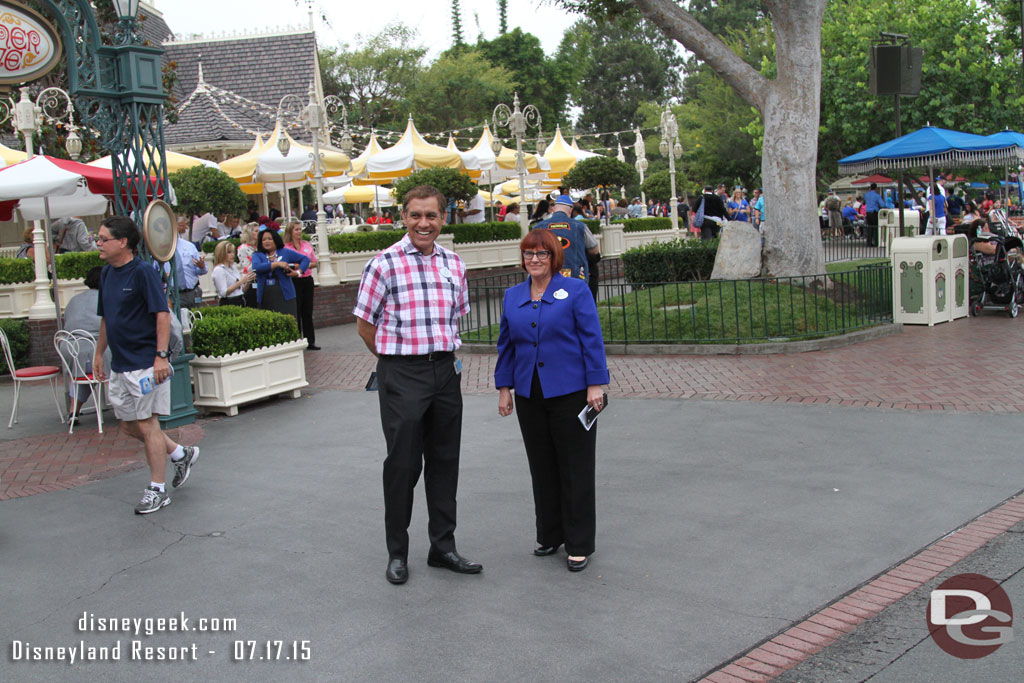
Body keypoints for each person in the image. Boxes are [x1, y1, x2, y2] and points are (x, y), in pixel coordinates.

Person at [353, 185, 481, 585]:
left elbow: (454, 319)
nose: (423, 223)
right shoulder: (383, 264)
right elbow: (364, 325)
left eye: (432, 216)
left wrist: (437, 361)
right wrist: (394, 361)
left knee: (445, 463)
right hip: (402, 374)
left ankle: (442, 547)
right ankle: (397, 552)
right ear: (403, 217)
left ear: (443, 218)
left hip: (445, 372)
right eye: (416, 215)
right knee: (403, 465)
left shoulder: (454, 264)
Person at [495, 228, 609, 572]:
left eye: (541, 254)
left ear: (554, 257)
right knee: (541, 466)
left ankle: (579, 542)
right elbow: (506, 345)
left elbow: (592, 338)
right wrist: (504, 387)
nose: (534, 260)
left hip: (572, 391)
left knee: (575, 468)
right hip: (530, 393)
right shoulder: (513, 295)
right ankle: (549, 533)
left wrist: (596, 385)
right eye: (529, 254)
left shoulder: (574, 291)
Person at [92, 216, 199, 515]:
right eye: (98, 238)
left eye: (103, 239)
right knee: (128, 425)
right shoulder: (106, 274)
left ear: (123, 242)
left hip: (146, 364)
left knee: (148, 424)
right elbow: (106, 317)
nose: (98, 243)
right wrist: (99, 354)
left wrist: (160, 357)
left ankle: (157, 489)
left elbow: (162, 315)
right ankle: (180, 453)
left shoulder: (143, 273)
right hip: (120, 364)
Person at [532, 194, 600, 282]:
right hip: (575, 277)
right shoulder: (580, 226)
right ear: (571, 209)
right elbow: (594, 250)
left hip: (546, 276)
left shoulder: (539, 227)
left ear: (554, 209)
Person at [252, 227, 309, 321]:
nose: (267, 241)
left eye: (269, 239)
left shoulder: (285, 252)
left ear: (275, 239)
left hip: (285, 295)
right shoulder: (257, 255)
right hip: (265, 295)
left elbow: (305, 259)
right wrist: (277, 264)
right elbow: (257, 267)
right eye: (264, 239)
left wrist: (298, 273)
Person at [283, 218, 320, 350]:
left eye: (300, 229)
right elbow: (288, 264)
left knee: (307, 311)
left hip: (307, 279)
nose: (299, 232)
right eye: (296, 229)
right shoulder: (286, 247)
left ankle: (310, 340)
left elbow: (315, 262)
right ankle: (297, 340)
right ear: (290, 231)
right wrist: (300, 265)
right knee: (296, 310)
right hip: (294, 280)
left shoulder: (307, 245)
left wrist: (303, 265)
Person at [170, 217, 207, 307]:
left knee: (197, 318)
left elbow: (202, 270)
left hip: (193, 292)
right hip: (175, 295)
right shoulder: (160, 251)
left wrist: (201, 267)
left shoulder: (189, 246)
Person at [211, 241, 254, 306]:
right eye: (229, 252)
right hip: (228, 302)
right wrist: (241, 282)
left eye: (233, 252)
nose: (232, 255)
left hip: (240, 299)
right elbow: (223, 292)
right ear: (222, 254)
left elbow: (240, 290)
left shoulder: (233, 268)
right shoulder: (219, 270)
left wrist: (248, 281)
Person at [237, 223, 259, 308]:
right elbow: (246, 267)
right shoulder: (243, 248)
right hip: (250, 281)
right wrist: (258, 262)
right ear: (250, 233)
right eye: (256, 231)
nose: (259, 233)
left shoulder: (260, 246)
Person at [863, 183, 884, 247]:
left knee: (869, 228)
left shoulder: (866, 195)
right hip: (874, 212)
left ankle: (869, 243)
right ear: (876, 188)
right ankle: (876, 242)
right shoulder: (877, 196)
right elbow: (882, 204)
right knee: (875, 228)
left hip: (868, 212)